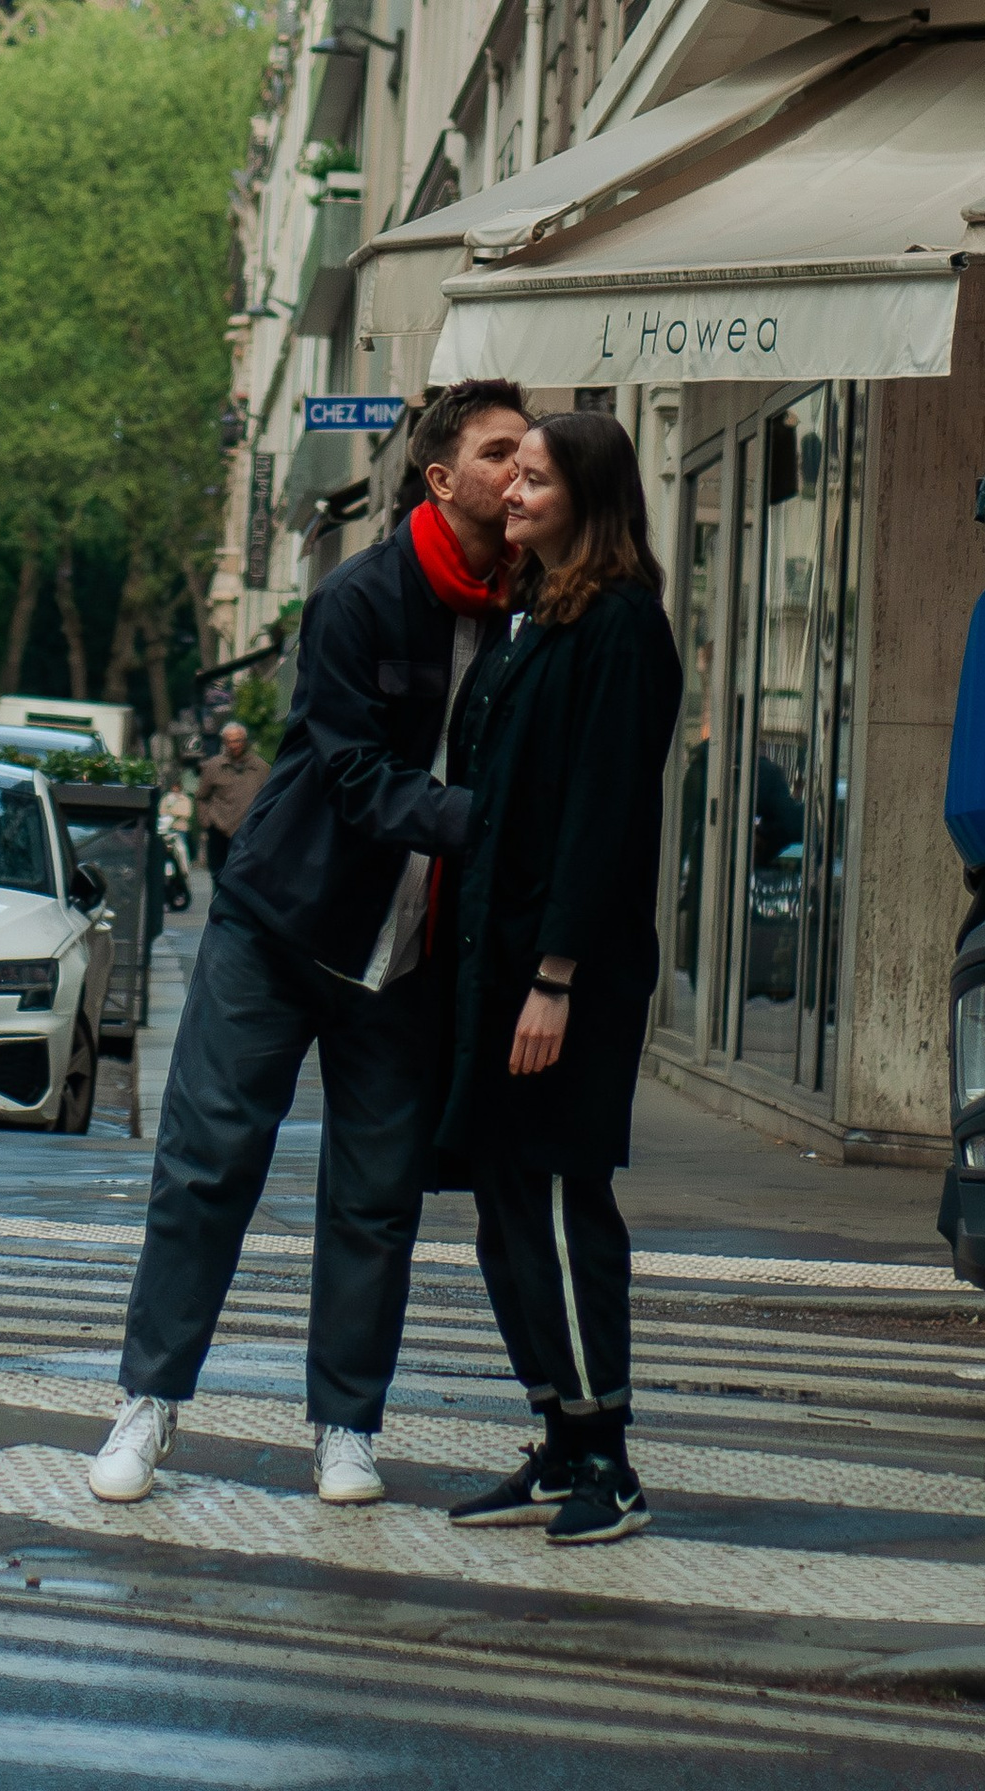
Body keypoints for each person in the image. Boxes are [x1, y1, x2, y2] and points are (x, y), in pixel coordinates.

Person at [90, 376, 530, 1513]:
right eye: (499, 454)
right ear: (442, 479)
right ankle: (147, 1401)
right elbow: (347, 771)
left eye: (529, 454)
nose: (521, 470)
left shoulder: (534, 611)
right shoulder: (358, 598)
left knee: (376, 1197)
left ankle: (345, 1424)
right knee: (207, 1164)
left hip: (410, 954)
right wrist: (484, 825)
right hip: (282, 924)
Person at [437, 412, 681, 1548]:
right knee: (503, 1205)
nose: (514, 494)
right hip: (505, 958)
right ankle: (557, 1431)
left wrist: (555, 976)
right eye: (513, 476)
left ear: (586, 495)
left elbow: (604, 815)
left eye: (534, 479)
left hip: (562, 973)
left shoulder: (621, 626)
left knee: (554, 1198)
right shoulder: (538, 610)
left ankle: (608, 1458)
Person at [189, 718, 268, 876]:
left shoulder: (261, 768)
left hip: (249, 832)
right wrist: (206, 821)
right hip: (219, 830)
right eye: (229, 741)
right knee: (219, 876)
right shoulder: (214, 766)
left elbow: (270, 798)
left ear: (245, 741)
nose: (233, 746)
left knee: (246, 877)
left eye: (237, 741)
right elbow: (201, 797)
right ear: (224, 742)